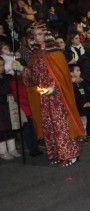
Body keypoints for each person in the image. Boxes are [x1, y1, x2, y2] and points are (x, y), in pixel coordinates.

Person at [22, 22, 84, 167]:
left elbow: (63, 76)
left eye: (40, 34)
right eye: (35, 35)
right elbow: (31, 79)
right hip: (43, 97)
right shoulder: (35, 55)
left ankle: (70, 154)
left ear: (46, 35)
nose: (37, 37)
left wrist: (54, 87)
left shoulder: (55, 53)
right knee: (49, 125)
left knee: (60, 124)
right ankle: (56, 153)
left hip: (57, 95)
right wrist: (23, 70)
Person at [0, 57, 21, 160]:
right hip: (1, 105)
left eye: (2, 65)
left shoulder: (6, 77)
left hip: (7, 106)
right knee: (2, 129)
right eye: (0, 65)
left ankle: (12, 149)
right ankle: (3, 151)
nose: (2, 67)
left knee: (10, 127)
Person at [69, 64, 90, 139]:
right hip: (78, 107)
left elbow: (85, 92)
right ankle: (79, 136)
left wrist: (87, 101)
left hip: (84, 106)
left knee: (84, 121)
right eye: (77, 70)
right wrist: (82, 104)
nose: (80, 72)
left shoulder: (81, 82)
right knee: (78, 122)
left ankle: (84, 135)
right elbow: (75, 97)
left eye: (79, 70)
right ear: (71, 73)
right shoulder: (70, 84)